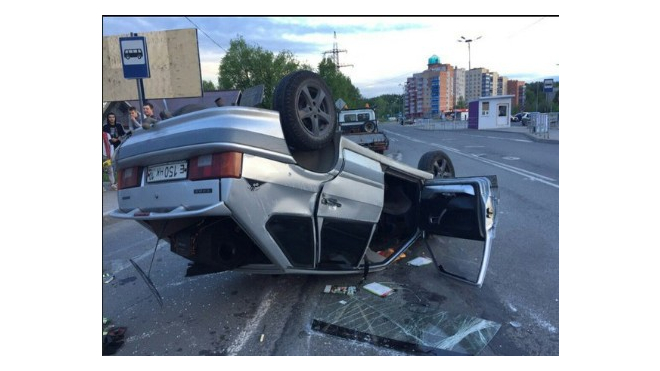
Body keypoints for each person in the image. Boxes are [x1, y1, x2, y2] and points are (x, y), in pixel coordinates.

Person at [102, 112, 125, 190]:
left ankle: (115, 182)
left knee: (114, 165)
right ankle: (112, 182)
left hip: (117, 147)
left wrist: (118, 138)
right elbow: (106, 139)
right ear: (108, 118)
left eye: (113, 117)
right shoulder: (105, 127)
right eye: (110, 117)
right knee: (108, 166)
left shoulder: (118, 125)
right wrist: (111, 140)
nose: (112, 119)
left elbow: (123, 134)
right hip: (107, 149)